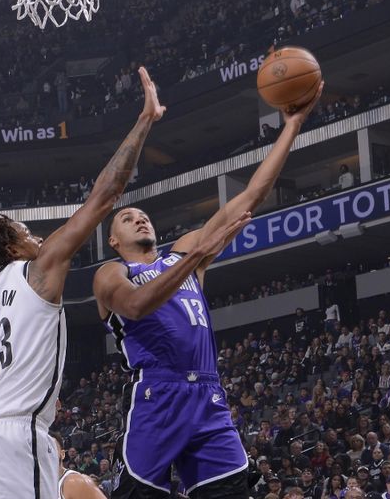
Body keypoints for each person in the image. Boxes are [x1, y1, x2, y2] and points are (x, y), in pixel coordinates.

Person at [0, 67, 165, 499]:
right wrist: (144, 120)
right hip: (19, 440)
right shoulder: (37, 269)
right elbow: (106, 194)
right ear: (11, 247)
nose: (37, 238)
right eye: (27, 233)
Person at [93, 83, 323, 498]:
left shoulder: (184, 254)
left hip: (208, 393)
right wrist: (195, 254)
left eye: (143, 215)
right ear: (114, 239)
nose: (140, 220)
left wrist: (293, 125)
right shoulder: (112, 272)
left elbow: (252, 195)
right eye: (128, 218)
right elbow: (138, 305)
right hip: (157, 395)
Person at [52, 433, 106, 498]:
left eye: (51, 448)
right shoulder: (40, 486)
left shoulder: (74, 482)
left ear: (62, 454)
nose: (46, 453)